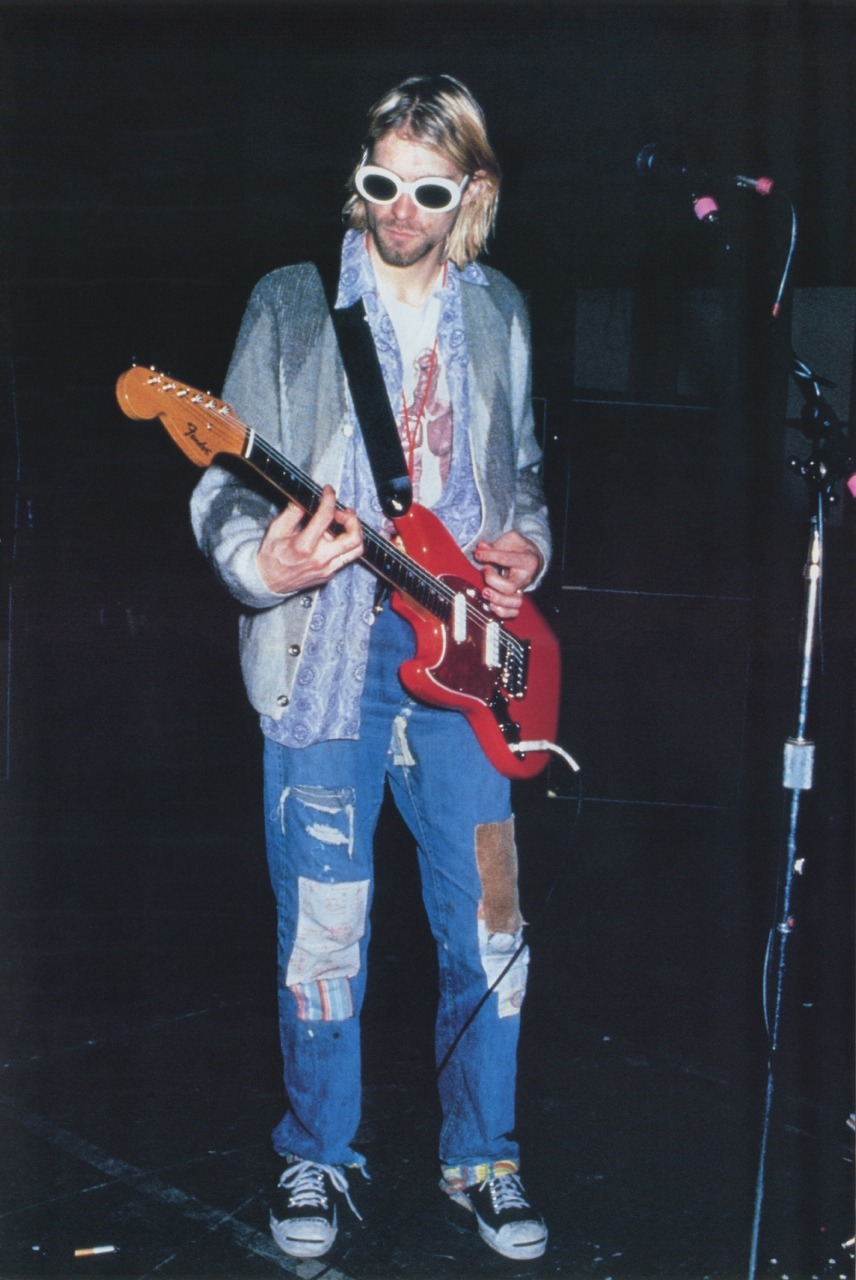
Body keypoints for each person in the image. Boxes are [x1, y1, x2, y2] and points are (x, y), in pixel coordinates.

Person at [190, 73, 552, 1264]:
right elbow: (223, 482)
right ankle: (316, 1148)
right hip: (326, 657)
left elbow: (523, 474)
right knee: (324, 929)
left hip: (468, 663)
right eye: (382, 181)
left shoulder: (498, 311)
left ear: (472, 194)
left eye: (429, 191)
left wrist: (523, 545)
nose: (400, 209)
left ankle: (482, 1153)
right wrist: (266, 563)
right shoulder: (293, 303)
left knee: (490, 925)